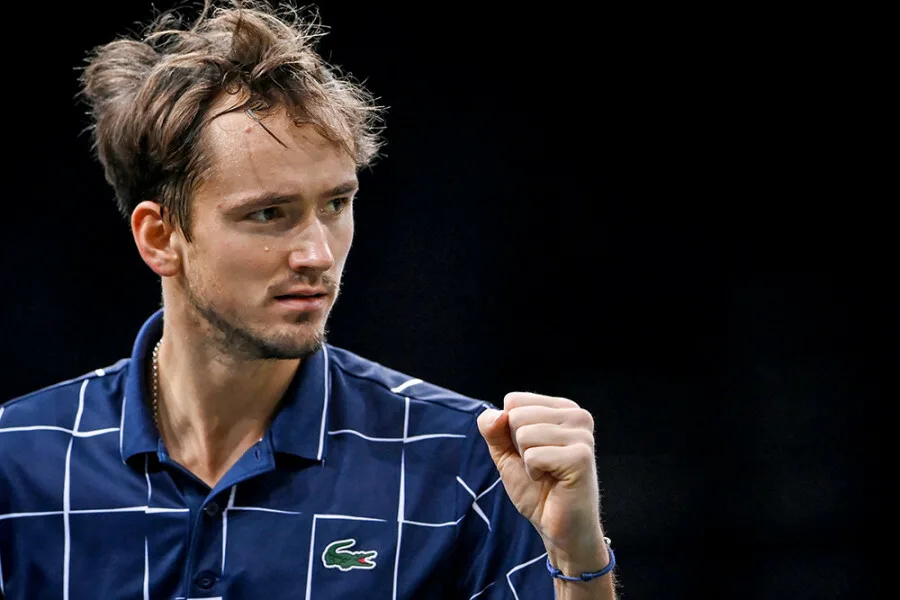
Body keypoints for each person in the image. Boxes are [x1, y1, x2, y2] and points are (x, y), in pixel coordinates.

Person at [0, 1, 617, 598]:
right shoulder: (16, 460)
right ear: (160, 238)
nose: (317, 254)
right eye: (268, 214)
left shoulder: (467, 460)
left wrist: (578, 560)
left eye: (336, 205)